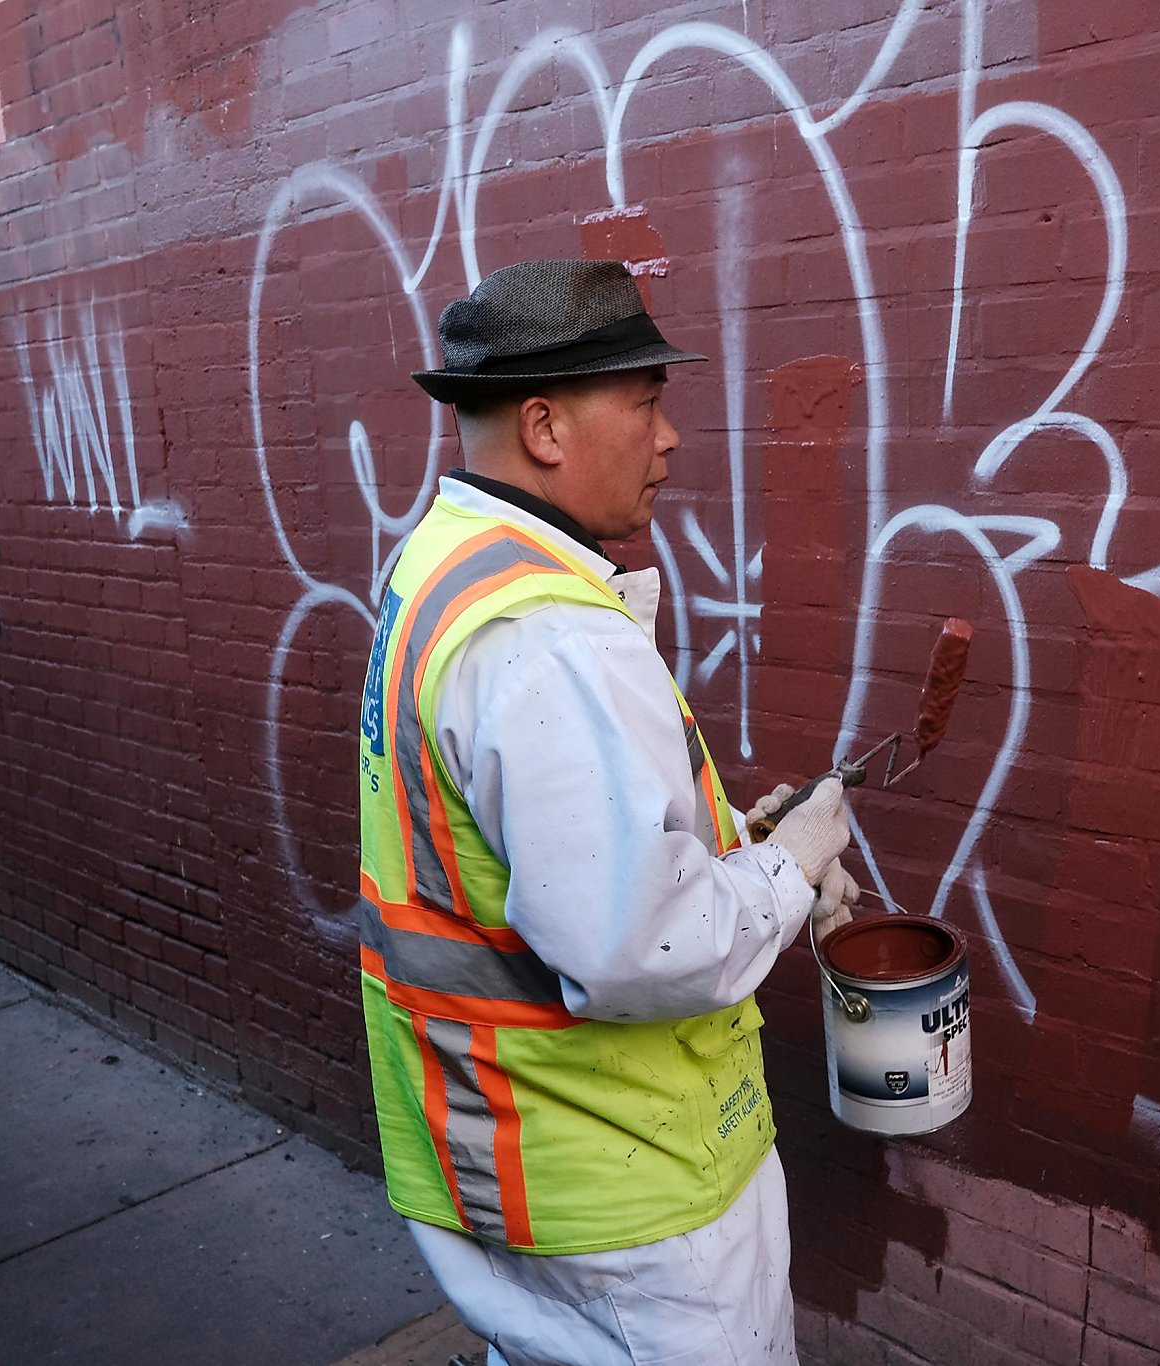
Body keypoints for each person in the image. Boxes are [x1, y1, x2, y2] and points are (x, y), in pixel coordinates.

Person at [354, 258, 858, 1365]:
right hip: (627, 1185)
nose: (668, 437)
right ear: (543, 424)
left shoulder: (440, 569)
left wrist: (742, 845)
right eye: (646, 402)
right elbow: (642, 947)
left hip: (506, 1148)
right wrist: (790, 867)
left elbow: (544, 858)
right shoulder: (549, 639)